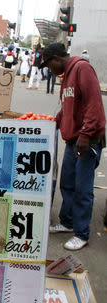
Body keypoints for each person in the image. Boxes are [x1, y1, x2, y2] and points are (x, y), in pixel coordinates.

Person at [43, 43, 106, 250]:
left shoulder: (82, 69)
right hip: (72, 141)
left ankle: (82, 233)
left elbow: (94, 104)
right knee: (67, 183)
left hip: (86, 142)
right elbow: (67, 107)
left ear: (55, 59)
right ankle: (68, 222)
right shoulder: (67, 76)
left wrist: (86, 135)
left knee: (82, 189)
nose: (49, 70)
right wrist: (55, 120)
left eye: (48, 65)